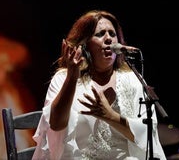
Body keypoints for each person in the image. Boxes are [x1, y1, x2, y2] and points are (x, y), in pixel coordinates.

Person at [32, 10, 166, 160]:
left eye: (112, 34)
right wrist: (72, 77)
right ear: (85, 44)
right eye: (100, 34)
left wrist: (110, 116)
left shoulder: (132, 79)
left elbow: (146, 135)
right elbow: (55, 126)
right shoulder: (64, 78)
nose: (108, 38)